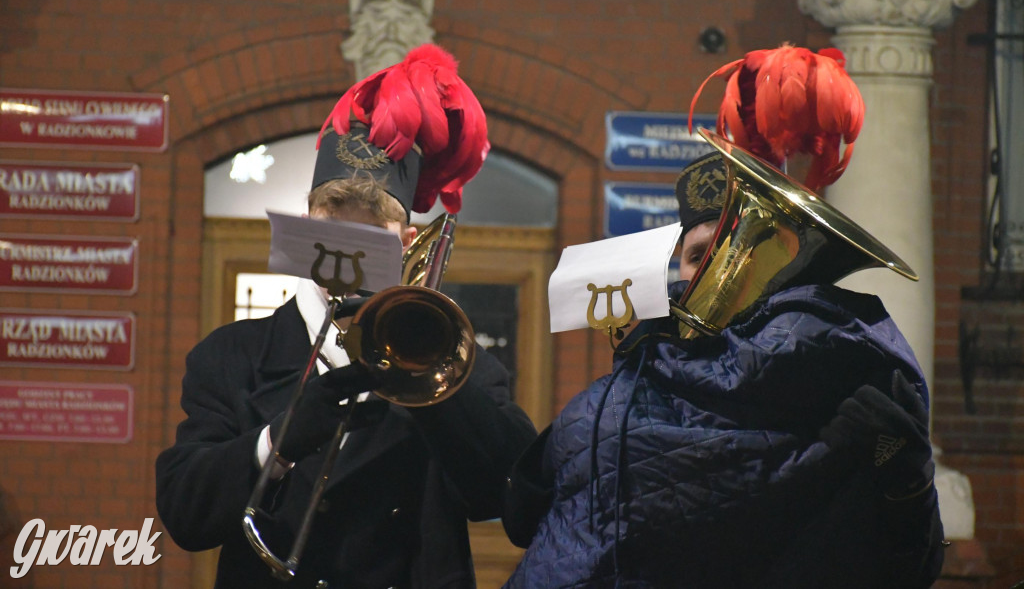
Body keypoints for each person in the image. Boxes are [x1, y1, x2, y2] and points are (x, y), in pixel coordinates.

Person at [501, 47, 945, 588]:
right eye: (695, 256)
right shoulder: (630, 380)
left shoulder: (857, 380)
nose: (710, 269)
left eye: (730, 249)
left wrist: (905, 481)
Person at [156, 44, 538, 589]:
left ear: (406, 242)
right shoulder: (231, 354)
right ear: (307, 221)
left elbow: (508, 495)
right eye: (332, 224)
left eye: (368, 234)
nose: (346, 250)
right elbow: (186, 516)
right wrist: (276, 443)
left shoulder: (453, 357)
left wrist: (429, 385)